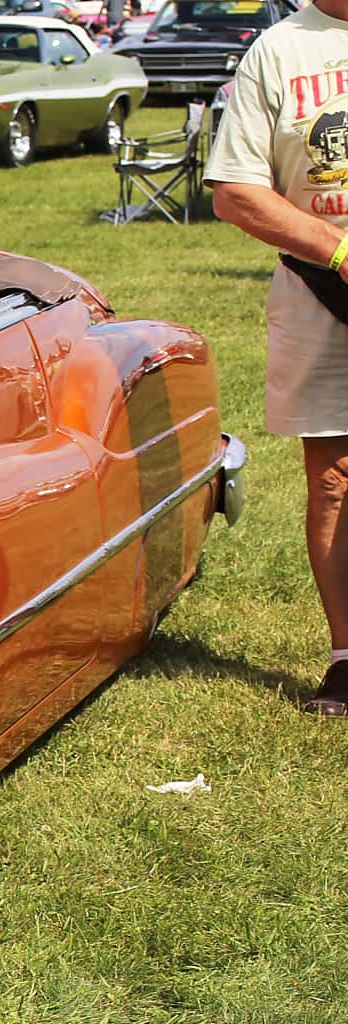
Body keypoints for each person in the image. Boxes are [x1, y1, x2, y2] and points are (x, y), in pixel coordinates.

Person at [206, 0, 348, 715]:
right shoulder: (279, 50)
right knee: (334, 483)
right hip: (322, 289)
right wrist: (341, 252)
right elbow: (234, 191)